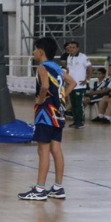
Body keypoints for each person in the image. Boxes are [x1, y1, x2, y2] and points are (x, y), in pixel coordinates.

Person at [18, 37, 76, 201]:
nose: (33, 52)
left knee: (42, 150)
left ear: (41, 52)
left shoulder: (42, 67)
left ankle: (39, 189)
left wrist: (41, 100)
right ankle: (58, 187)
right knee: (56, 149)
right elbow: (72, 83)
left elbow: (44, 86)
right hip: (58, 112)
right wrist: (61, 96)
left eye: (35, 49)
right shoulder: (57, 68)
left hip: (46, 113)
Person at [66, 41, 91, 128]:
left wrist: (87, 80)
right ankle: (75, 120)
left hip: (80, 85)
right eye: (70, 47)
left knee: (79, 104)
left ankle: (81, 121)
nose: (71, 49)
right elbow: (69, 70)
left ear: (77, 48)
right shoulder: (69, 57)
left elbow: (90, 67)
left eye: (73, 47)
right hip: (71, 85)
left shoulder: (83, 57)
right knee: (73, 103)